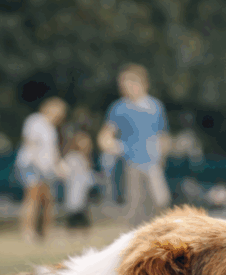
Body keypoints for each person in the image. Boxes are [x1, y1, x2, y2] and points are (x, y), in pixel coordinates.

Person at [98, 64, 170, 226]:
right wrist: (113, 146)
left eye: (129, 83)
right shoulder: (119, 108)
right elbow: (105, 135)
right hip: (131, 162)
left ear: (143, 83)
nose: (125, 88)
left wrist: (162, 156)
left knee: (161, 200)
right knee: (135, 206)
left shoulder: (155, 107)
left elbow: (163, 135)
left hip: (153, 162)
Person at [15, 97, 67, 242]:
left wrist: (59, 166)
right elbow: (30, 143)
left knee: (47, 200)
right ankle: (27, 232)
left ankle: (44, 232)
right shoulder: (35, 121)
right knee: (32, 198)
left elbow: (52, 152)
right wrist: (38, 163)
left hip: (45, 169)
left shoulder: (51, 129)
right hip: (31, 165)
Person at [62, 132, 95, 229]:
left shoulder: (86, 158)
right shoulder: (72, 157)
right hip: (74, 187)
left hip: (83, 189)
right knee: (75, 206)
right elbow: (66, 171)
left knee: (81, 207)